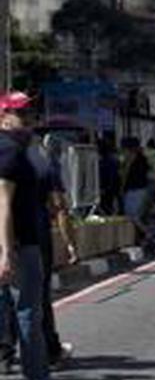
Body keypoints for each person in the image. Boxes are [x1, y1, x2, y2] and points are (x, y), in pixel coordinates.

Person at [0, 92, 72, 380]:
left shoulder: (22, 149)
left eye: (30, 112)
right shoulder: (10, 151)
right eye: (19, 113)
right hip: (19, 244)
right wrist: (6, 251)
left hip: (19, 243)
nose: (27, 118)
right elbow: (3, 204)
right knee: (29, 313)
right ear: (3, 116)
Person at [29, 132, 79, 365]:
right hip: (33, 238)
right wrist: (70, 244)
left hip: (13, 238)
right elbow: (59, 206)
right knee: (38, 297)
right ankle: (49, 350)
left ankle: (6, 352)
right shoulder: (44, 165)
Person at [120, 138, 153, 247]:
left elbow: (125, 175)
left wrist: (122, 187)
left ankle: (148, 234)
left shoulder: (133, 160)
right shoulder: (143, 159)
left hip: (135, 190)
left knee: (132, 216)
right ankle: (138, 237)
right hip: (140, 189)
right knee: (135, 215)